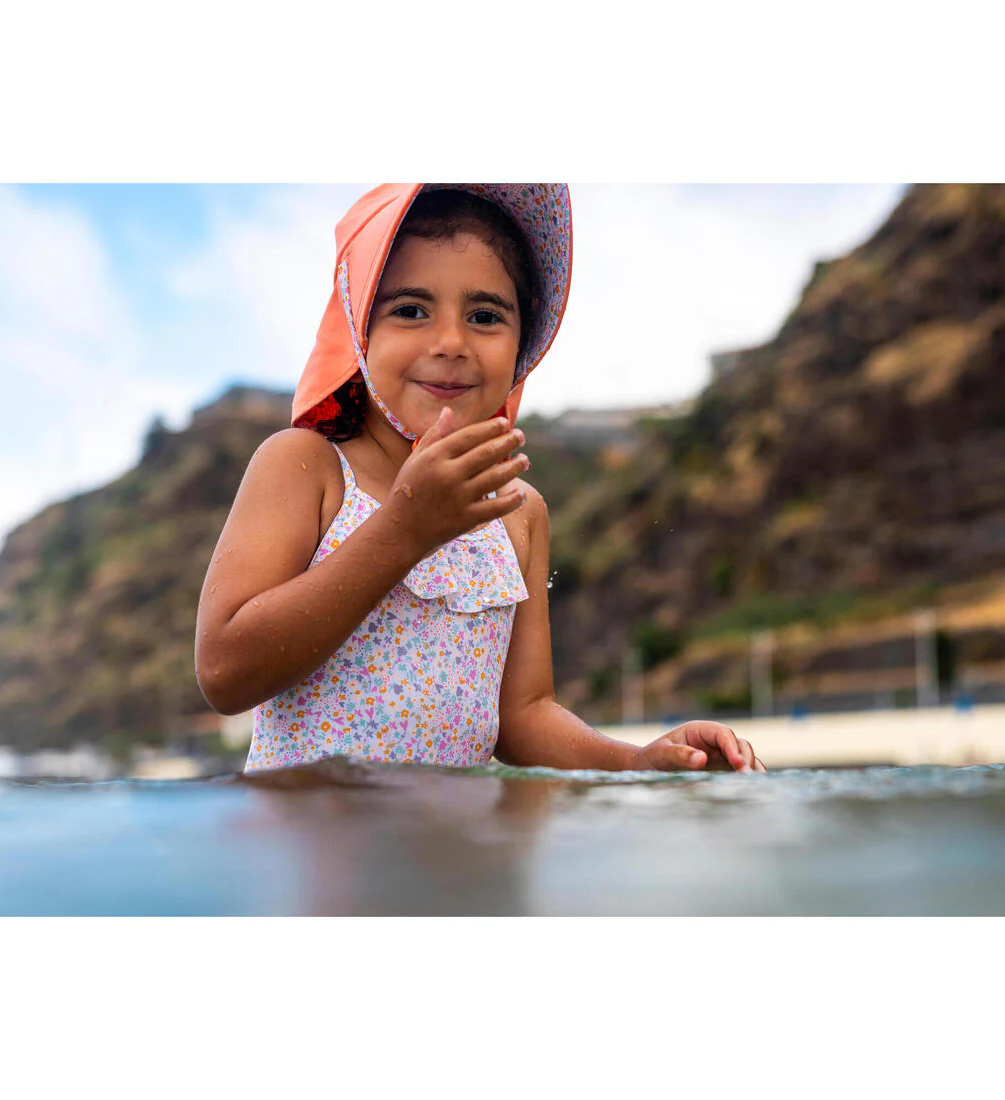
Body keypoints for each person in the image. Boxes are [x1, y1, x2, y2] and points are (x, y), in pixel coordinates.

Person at [195, 183, 766, 775]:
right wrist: (403, 530)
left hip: (465, 861)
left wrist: (638, 763)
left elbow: (523, 716)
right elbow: (223, 674)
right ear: (359, 331)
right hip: (314, 859)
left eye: (486, 316)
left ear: (524, 347)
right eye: (410, 310)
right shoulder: (306, 466)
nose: (451, 343)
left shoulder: (518, 513)